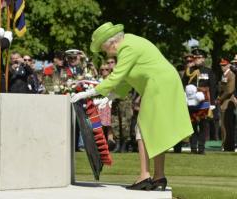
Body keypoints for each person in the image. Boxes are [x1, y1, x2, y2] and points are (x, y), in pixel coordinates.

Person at [70, 22, 193, 190]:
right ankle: (159, 176)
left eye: (103, 48)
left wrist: (89, 93)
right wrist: (111, 95)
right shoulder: (130, 44)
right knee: (155, 130)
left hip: (158, 85)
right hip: (163, 83)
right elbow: (126, 80)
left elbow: (117, 76)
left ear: (110, 43)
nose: (105, 53)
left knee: (142, 129)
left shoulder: (128, 47)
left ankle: (144, 176)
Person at [182, 48, 216, 154]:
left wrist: (212, 103)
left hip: (203, 102)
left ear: (203, 59)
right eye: (195, 57)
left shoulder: (208, 71)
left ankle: (201, 148)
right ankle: (193, 148)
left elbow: (213, 87)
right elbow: (183, 84)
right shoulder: (189, 71)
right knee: (192, 126)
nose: (196, 59)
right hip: (191, 102)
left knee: (203, 125)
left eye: (199, 57)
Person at [217, 59, 236, 151]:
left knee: (227, 125)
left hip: (228, 102)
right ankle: (225, 145)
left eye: (224, 65)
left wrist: (220, 99)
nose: (222, 67)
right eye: (221, 65)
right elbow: (222, 88)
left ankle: (228, 145)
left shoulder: (231, 75)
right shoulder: (224, 75)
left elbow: (230, 90)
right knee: (224, 125)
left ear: (228, 65)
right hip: (224, 101)